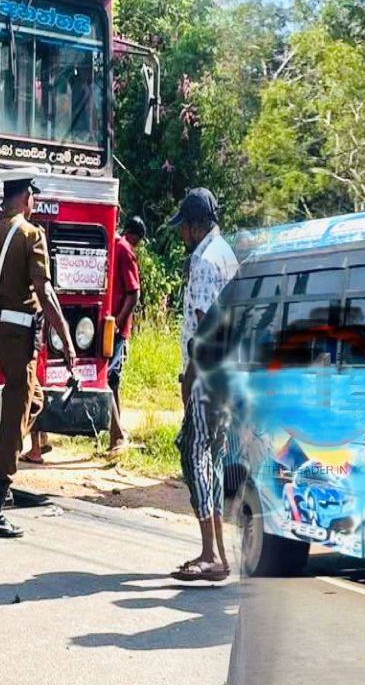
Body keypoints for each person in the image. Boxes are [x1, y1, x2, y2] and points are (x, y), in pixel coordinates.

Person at [0, 176, 76, 538]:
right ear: (26, 197)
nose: (34, 203)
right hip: (21, 336)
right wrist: (66, 340)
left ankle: (0, 465)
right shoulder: (32, 235)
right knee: (16, 412)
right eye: (33, 197)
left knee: (33, 400)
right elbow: (45, 291)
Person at [167, 188, 239, 582]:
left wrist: (189, 379)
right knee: (212, 459)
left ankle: (210, 554)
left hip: (206, 378)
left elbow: (203, 331)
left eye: (184, 228)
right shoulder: (227, 254)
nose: (182, 236)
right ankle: (220, 555)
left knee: (196, 459)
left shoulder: (203, 260)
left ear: (196, 226)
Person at [106, 216, 146, 458]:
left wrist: (115, 325)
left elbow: (133, 295)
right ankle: (116, 436)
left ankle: (117, 436)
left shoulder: (117, 245)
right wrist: (118, 325)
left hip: (115, 328)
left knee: (111, 380)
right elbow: (133, 294)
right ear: (133, 235)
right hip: (116, 328)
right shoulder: (124, 248)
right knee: (110, 380)